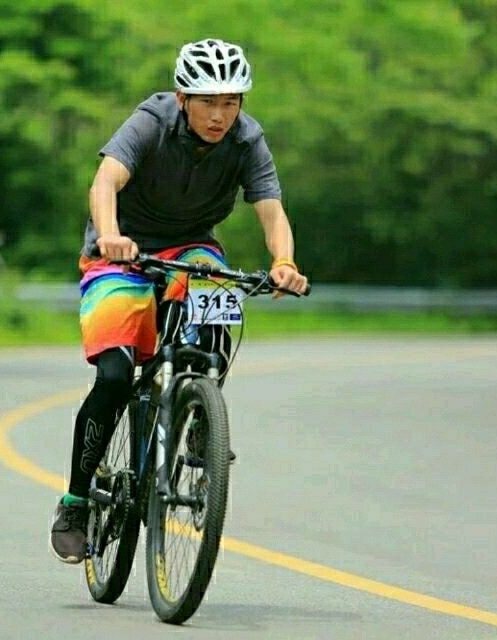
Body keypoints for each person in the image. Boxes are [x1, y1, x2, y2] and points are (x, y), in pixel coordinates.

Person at [50, 38, 308, 564]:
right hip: (122, 249)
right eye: (208, 102)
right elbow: (106, 181)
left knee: (215, 304)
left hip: (191, 248)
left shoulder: (247, 139)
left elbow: (271, 209)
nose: (219, 115)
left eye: (230, 103)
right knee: (115, 376)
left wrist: (284, 262)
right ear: (183, 98)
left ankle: (198, 419)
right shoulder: (151, 121)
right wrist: (110, 234)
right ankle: (76, 501)